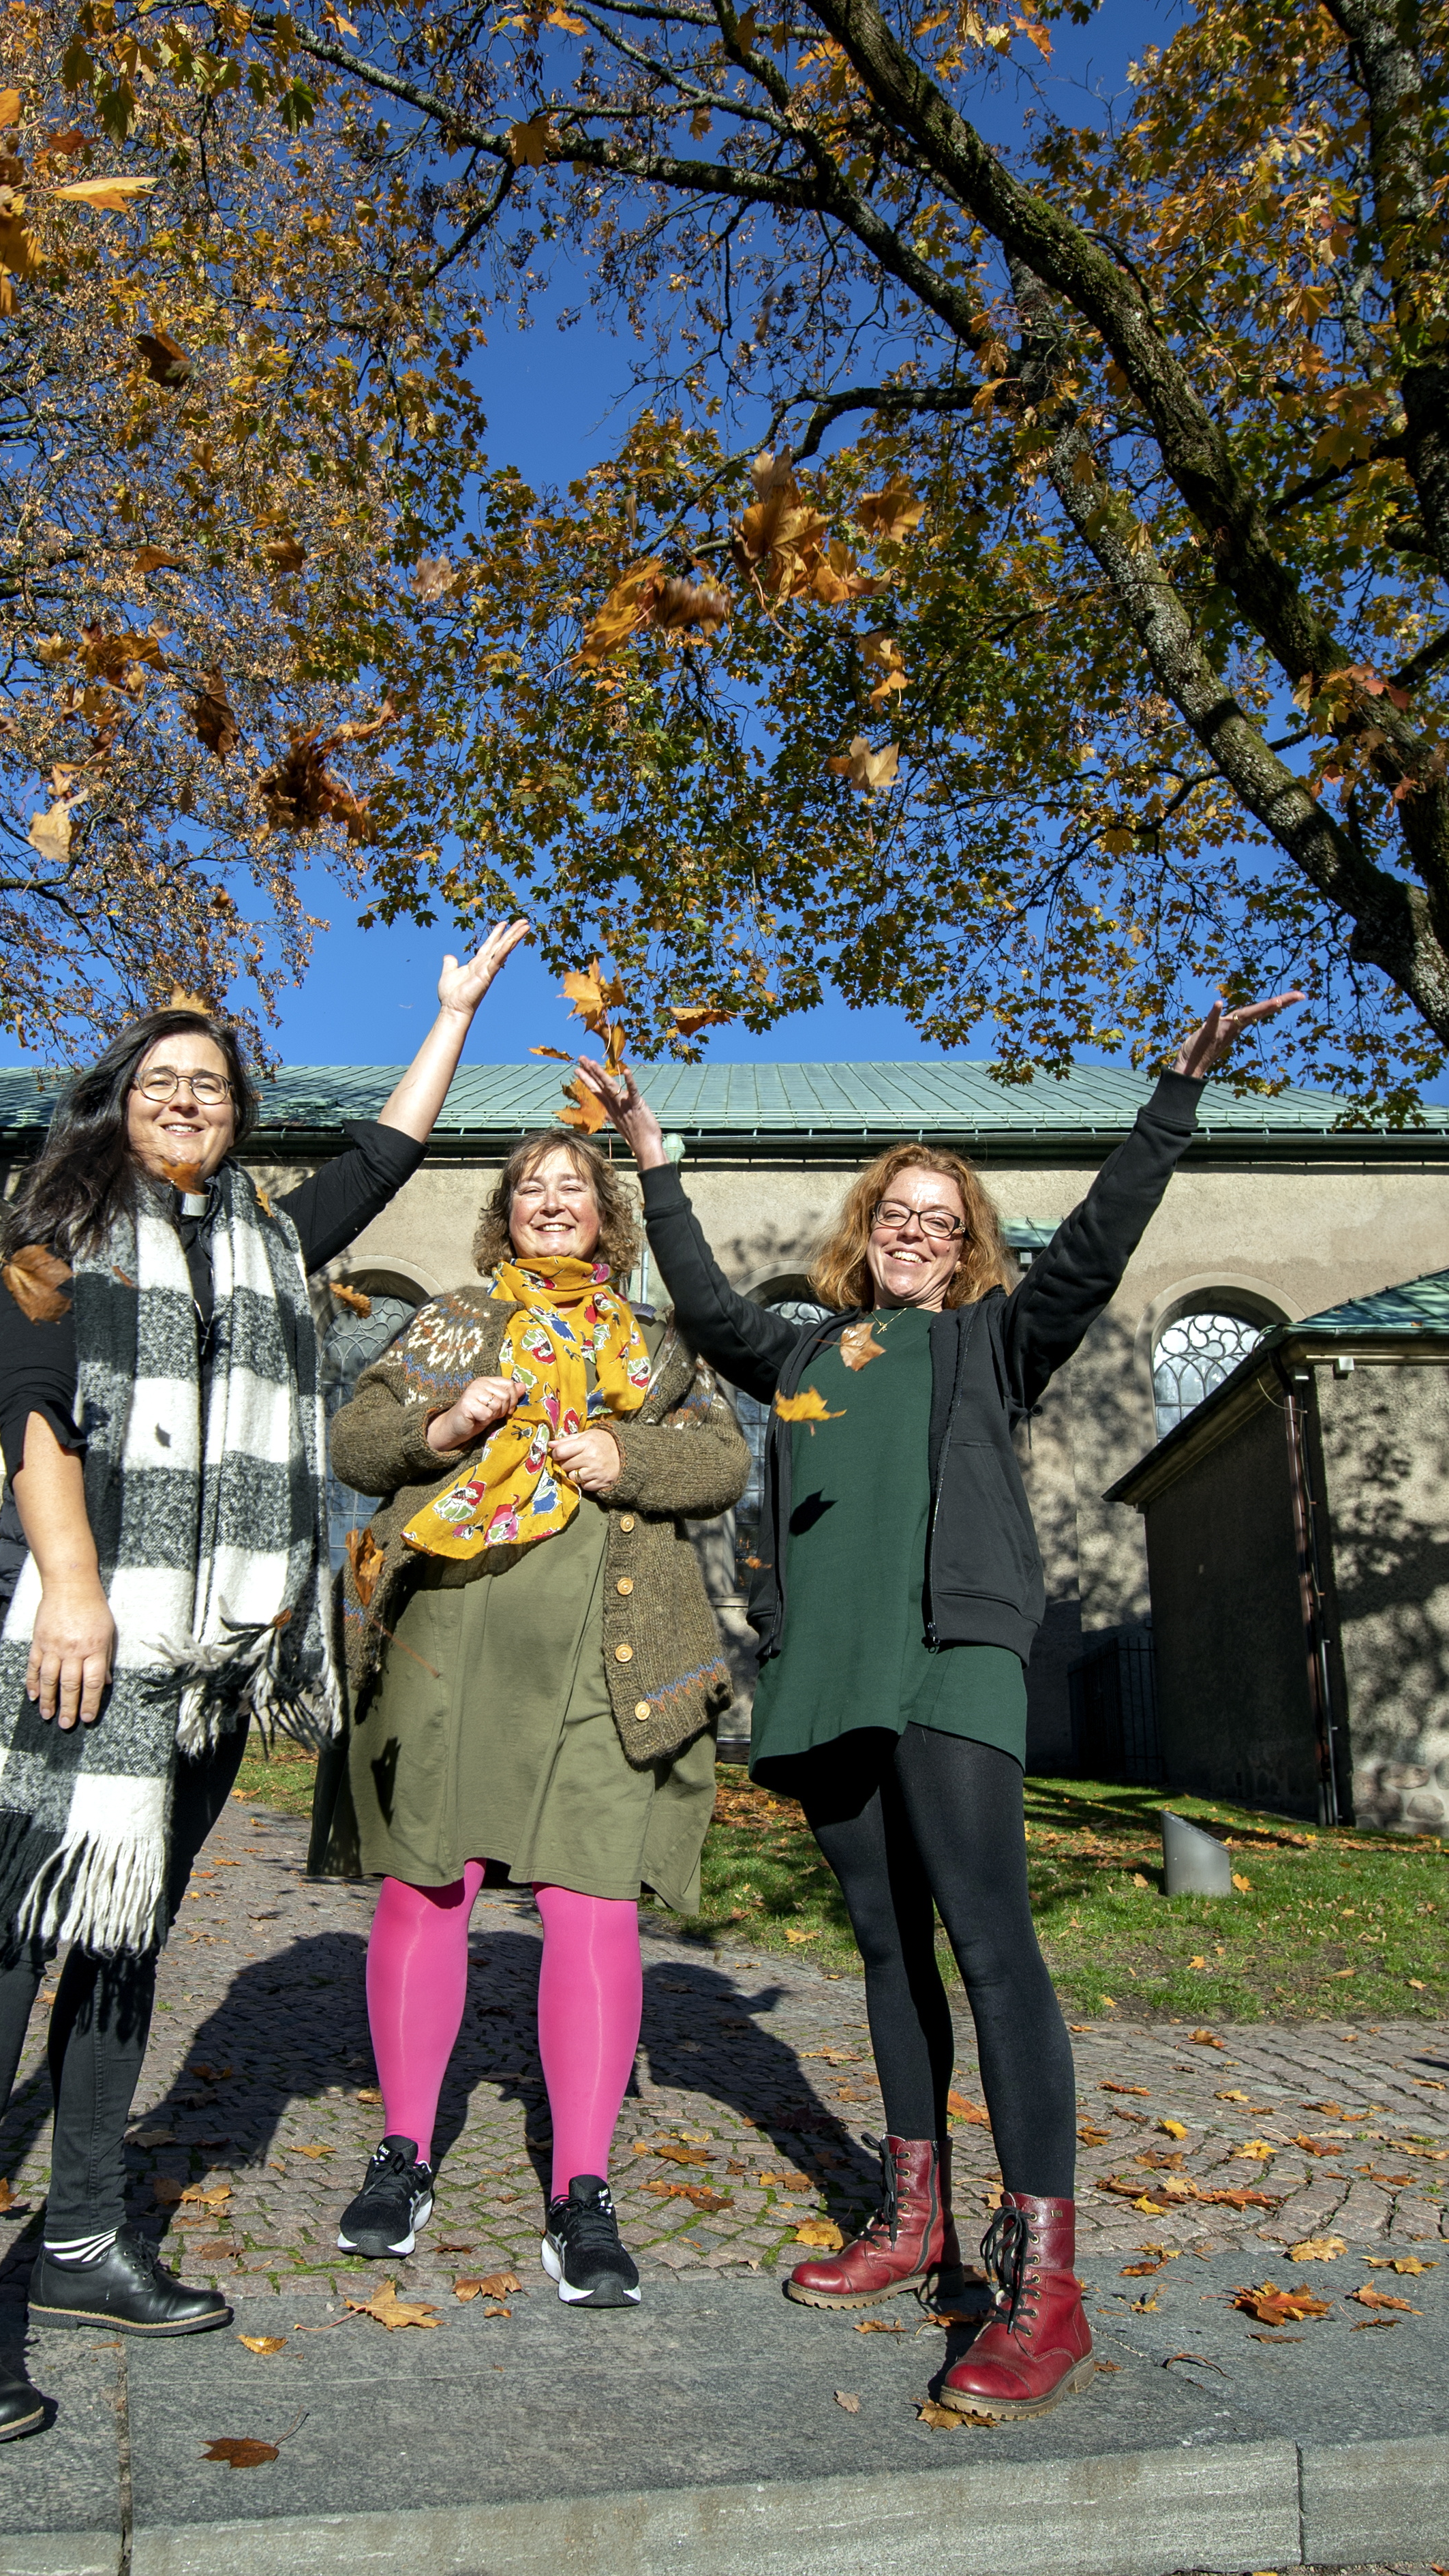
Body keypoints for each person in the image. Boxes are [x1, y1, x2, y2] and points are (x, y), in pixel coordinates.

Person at [579, 993, 1298, 2415]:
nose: (915, 1232)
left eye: (941, 1220)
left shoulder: (996, 1341)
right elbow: (709, 1309)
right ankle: (914, 2220)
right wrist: (653, 1162)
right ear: (867, 1231)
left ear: (968, 1246)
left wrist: (1171, 1098)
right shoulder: (811, 1354)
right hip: (829, 1669)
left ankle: (1046, 2289)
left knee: (991, 1944)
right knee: (886, 1948)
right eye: (896, 1214)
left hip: (951, 1652)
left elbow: (1095, 1247)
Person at [0, 925, 525, 2442]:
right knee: (10, 1935)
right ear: (118, 1100)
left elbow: (389, 1152)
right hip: (92, 1633)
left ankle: (83, 2238)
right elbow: (34, 1412)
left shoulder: (271, 1241)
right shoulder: (55, 1231)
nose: (185, 1098)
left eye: (211, 1085)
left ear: (236, 1114)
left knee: (129, 1928)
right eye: (161, 1079)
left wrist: (452, 1013)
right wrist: (72, 1587)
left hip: (222, 1653)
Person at [318, 1130, 748, 2307]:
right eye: (529, 1189)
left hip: (607, 1659)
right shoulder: (452, 1323)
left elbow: (722, 1464)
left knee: (592, 1898)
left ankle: (582, 2191)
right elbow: (356, 1442)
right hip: (446, 1647)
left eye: (573, 1188)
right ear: (503, 1214)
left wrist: (627, 1454)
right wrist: (442, 1430)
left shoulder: (658, 1344)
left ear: (607, 1213)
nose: (551, 1202)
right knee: (428, 1885)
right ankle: (404, 2152)